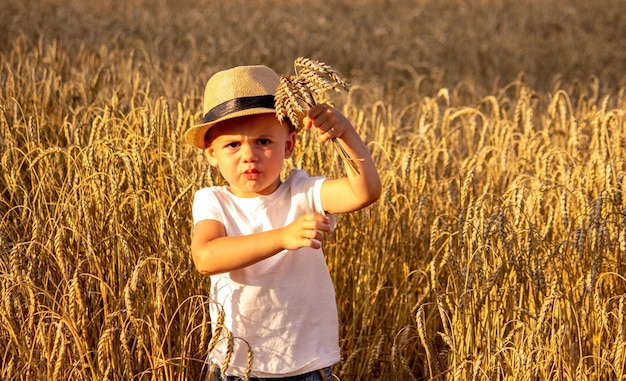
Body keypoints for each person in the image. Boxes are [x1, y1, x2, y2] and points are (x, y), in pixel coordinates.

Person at [186, 65, 381, 381]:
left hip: (306, 364)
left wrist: (345, 134)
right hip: (236, 366)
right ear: (211, 153)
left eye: (264, 141)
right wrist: (283, 237)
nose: (249, 155)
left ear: (288, 145)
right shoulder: (213, 201)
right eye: (232, 145)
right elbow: (206, 258)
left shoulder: (303, 191)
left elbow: (364, 192)